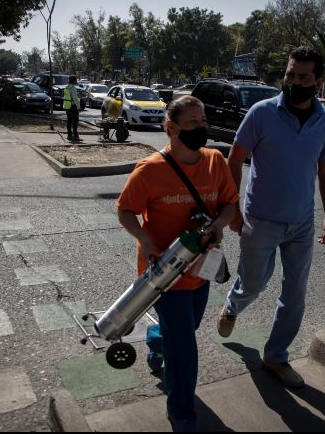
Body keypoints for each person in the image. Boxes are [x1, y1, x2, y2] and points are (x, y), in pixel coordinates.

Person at [217, 46, 325, 389]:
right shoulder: (261, 112)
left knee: (295, 292)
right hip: (261, 218)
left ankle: (276, 356)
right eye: (290, 75)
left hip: (302, 221)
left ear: (317, 81)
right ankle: (233, 305)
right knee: (254, 283)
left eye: (303, 77)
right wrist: (233, 208)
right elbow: (234, 159)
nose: (294, 82)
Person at [117, 95, 238, 431]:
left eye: (203, 121)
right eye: (192, 123)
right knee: (185, 344)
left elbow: (230, 204)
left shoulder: (215, 161)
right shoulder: (149, 170)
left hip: (200, 269)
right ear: (170, 127)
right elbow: (125, 210)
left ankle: (157, 345)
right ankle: (182, 411)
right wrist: (145, 240)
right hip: (164, 274)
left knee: (185, 329)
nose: (201, 128)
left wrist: (218, 225)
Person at [63, 75, 81, 141]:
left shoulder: (66, 87)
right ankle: (75, 136)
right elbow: (75, 99)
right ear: (73, 80)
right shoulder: (73, 88)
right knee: (75, 121)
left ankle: (69, 135)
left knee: (69, 121)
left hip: (67, 106)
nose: (76, 81)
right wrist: (78, 107)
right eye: (76, 80)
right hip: (73, 106)